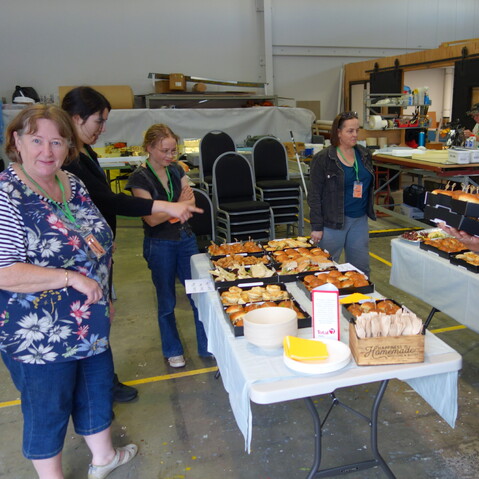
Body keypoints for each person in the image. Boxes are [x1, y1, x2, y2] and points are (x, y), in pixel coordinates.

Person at [0, 104, 137, 479]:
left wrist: (102, 290)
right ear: (17, 141)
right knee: (48, 406)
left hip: (89, 318)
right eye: (37, 140)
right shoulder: (7, 194)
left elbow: (93, 238)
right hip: (39, 332)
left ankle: (104, 457)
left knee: (95, 390)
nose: (47, 151)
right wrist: (70, 278)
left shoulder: (70, 183)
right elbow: (4, 271)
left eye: (57, 142)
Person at [61, 86, 202, 401]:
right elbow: (111, 201)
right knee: (98, 317)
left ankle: (103, 381)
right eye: (99, 121)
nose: (103, 129)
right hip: (88, 255)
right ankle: (98, 387)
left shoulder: (86, 153)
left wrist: (172, 206)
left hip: (101, 250)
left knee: (102, 315)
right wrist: (168, 207)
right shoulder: (73, 162)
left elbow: (185, 198)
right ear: (76, 118)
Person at [125, 124, 211, 368]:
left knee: (198, 295)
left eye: (174, 150)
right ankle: (173, 350)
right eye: (165, 151)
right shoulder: (139, 179)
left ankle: (207, 346)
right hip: (160, 243)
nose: (170, 156)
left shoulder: (176, 169)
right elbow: (151, 218)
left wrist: (170, 209)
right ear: (149, 148)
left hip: (186, 239)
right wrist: (178, 207)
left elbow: (191, 202)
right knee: (166, 300)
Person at [308, 111, 376, 278]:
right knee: (326, 269)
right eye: (350, 131)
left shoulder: (364, 154)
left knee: (361, 270)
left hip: (359, 220)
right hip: (333, 222)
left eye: (357, 130)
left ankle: (358, 294)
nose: (355, 135)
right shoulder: (323, 158)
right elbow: (314, 194)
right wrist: (316, 227)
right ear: (338, 132)